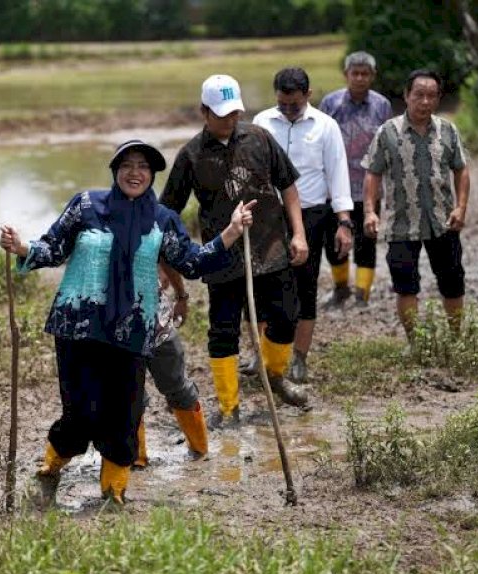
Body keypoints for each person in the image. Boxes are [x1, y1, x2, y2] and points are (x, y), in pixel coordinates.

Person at [0, 139, 255, 506]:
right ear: (115, 170)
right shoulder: (85, 205)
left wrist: (231, 231)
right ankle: (50, 469)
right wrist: (22, 247)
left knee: (123, 412)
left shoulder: (162, 220)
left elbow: (193, 263)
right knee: (80, 412)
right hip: (78, 328)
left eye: (143, 167)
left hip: (132, 331)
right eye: (127, 165)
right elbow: (53, 248)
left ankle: (113, 492)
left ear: (152, 176)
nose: (135, 173)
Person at [161, 74, 310, 427]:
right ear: (204, 112)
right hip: (223, 257)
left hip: (270, 248)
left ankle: (274, 375)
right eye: (221, 114)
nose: (230, 120)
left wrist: (299, 234)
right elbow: (167, 214)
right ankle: (229, 406)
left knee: (286, 316)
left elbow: (288, 187)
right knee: (223, 330)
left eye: (234, 113)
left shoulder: (260, 138)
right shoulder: (191, 156)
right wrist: (166, 264)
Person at [253, 67, 353, 383]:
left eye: (294, 105)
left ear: (308, 96)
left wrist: (344, 222)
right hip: (269, 218)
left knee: (304, 287)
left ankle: (299, 358)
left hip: (312, 216)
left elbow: (338, 175)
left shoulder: (326, 127)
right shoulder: (261, 123)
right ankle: (263, 357)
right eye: (282, 104)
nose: (287, 110)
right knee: (263, 287)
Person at [363, 69, 470, 339]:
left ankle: (456, 338)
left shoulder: (448, 130)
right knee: (406, 286)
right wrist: (369, 212)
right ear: (406, 96)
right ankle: (416, 342)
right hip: (400, 222)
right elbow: (372, 173)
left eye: (432, 96)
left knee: (452, 282)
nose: (425, 102)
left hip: (443, 221)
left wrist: (461, 207)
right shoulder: (387, 132)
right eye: (419, 95)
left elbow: (461, 169)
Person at [319, 51, 393, 306]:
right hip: (334, 189)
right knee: (333, 242)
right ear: (346, 75)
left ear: (372, 76)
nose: (360, 78)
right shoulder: (331, 103)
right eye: (355, 73)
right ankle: (340, 289)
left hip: (368, 188)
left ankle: (362, 293)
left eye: (365, 74)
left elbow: (388, 146)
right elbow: (320, 141)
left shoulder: (382, 105)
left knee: (366, 241)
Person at [134, 264, 205, 468]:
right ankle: (135, 458)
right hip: (117, 326)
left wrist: (181, 294)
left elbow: (170, 253)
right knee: (128, 394)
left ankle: (200, 451)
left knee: (178, 386)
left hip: (156, 322)